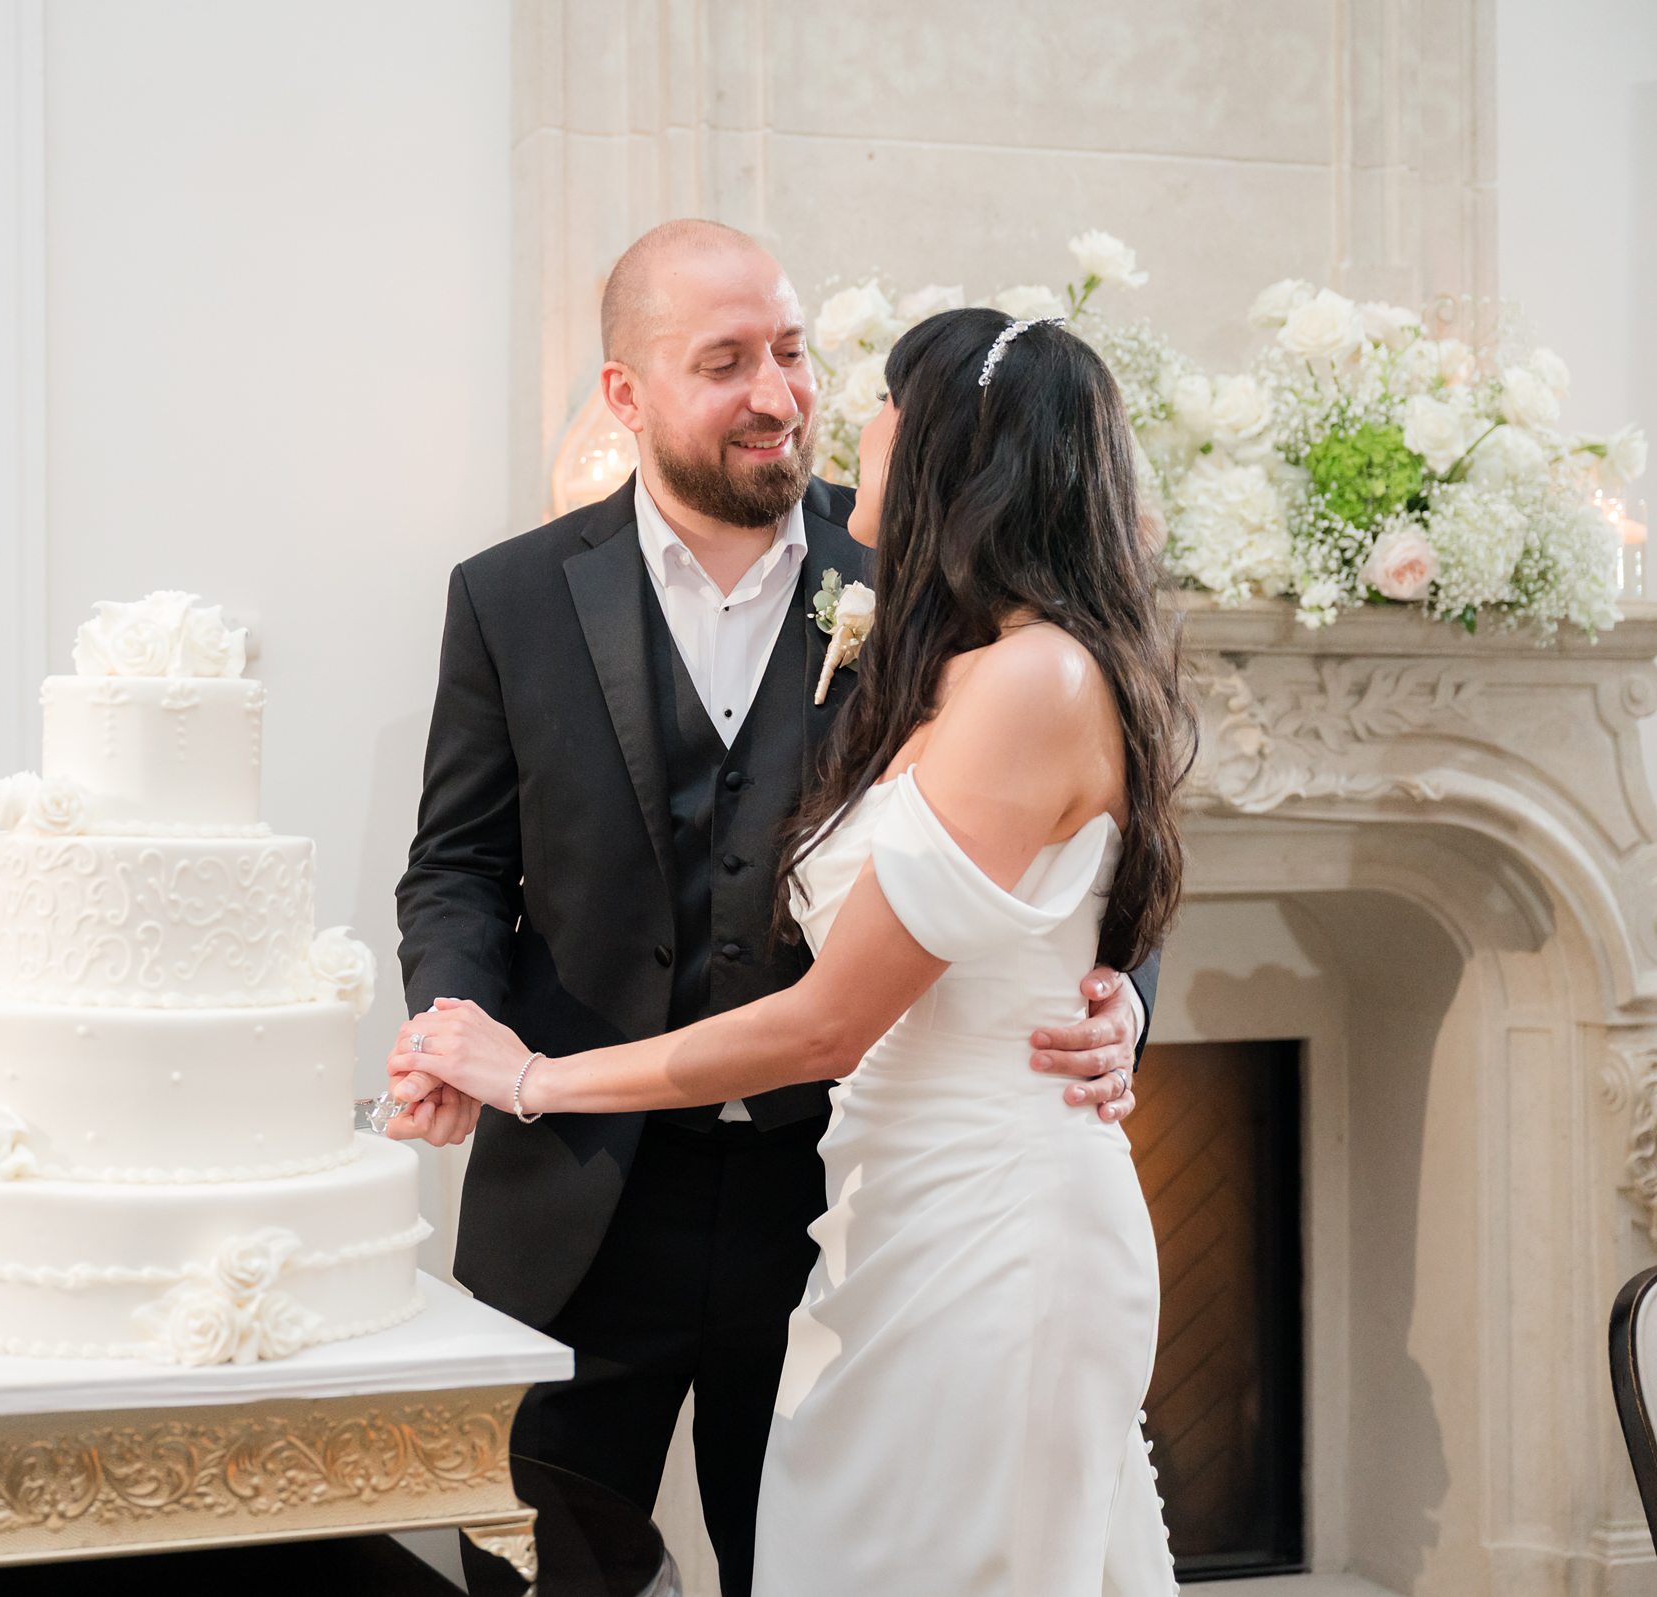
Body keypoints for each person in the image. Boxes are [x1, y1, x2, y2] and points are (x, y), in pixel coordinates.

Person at [388, 219, 1166, 1597]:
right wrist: (455, 1022)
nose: (780, 394)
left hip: (833, 1206)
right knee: (543, 1573)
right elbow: (456, 863)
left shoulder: (930, 587)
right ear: (626, 397)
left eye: (797, 353)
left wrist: (1122, 1002)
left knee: (821, 1560)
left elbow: (1092, 829)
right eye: (727, 361)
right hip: (579, 1214)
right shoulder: (508, 596)